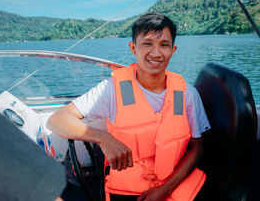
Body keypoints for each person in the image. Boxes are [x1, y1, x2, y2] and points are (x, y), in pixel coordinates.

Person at [48, 13, 210, 201]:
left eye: (164, 45)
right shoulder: (113, 90)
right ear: (133, 48)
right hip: (127, 192)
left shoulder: (186, 94)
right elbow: (57, 120)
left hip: (173, 187)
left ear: (173, 50)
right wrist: (103, 138)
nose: (156, 53)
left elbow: (197, 148)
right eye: (147, 43)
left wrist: (164, 190)